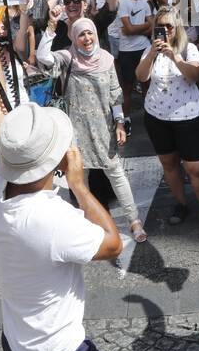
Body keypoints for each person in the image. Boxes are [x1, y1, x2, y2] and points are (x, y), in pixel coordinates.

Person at [0, 101, 128, 351]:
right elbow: (112, 245)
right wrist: (80, 185)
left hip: (20, 346)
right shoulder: (50, 217)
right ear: (56, 161)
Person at [37, 15, 148, 238]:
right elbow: (43, 57)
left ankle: (134, 221)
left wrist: (119, 123)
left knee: (116, 173)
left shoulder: (106, 59)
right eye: (81, 34)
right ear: (74, 38)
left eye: (89, 33)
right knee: (80, 178)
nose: (86, 38)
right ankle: (87, 223)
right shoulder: (68, 58)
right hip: (75, 130)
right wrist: (50, 27)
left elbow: (115, 95)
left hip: (103, 128)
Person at [136, 7, 199, 240]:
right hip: (157, 116)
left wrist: (174, 56)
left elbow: (194, 75)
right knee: (169, 164)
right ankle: (181, 204)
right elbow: (141, 77)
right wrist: (151, 54)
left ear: (177, 27)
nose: (166, 31)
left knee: (196, 168)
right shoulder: (149, 50)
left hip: (187, 116)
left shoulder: (188, 49)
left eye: (170, 26)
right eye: (161, 27)